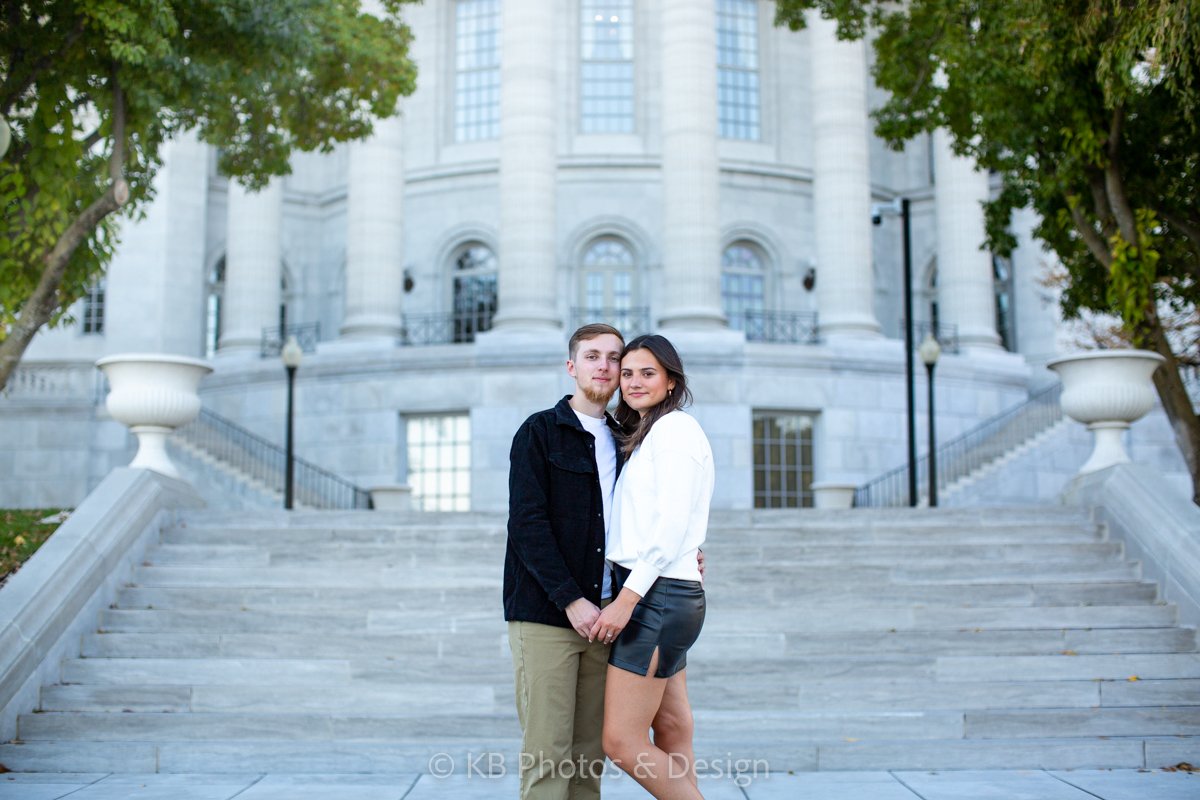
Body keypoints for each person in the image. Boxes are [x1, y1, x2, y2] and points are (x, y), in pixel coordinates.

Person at [589, 334, 713, 800]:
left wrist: (627, 599)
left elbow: (672, 523)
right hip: (666, 590)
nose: (635, 382)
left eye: (648, 373)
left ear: (671, 380)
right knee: (672, 724)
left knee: (621, 741)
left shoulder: (676, 431)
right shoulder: (650, 432)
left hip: (654, 597)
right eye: (628, 373)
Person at [505, 323, 625, 800]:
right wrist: (572, 599)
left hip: (607, 618)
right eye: (593, 356)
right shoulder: (539, 432)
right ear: (572, 366)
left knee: (586, 759)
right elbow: (527, 524)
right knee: (547, 756)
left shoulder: (628, 439)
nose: (604, 366)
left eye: (614, 357)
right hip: (548, 615)